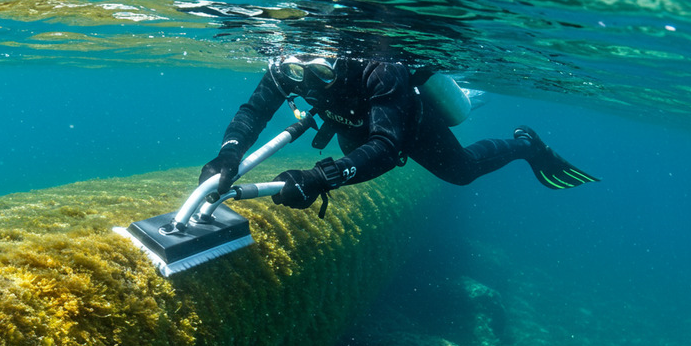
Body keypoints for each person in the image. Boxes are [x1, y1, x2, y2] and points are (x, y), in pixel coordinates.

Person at [200, 55, 598, 215]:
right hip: (356, 128)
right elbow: (253, 112)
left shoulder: (378, 66)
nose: (308, 81)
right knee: (353, 142)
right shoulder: (285, 65)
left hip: (407, 126)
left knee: (462, 171)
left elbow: (388, 147)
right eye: (298, 72)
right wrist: (227, 154)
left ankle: (526, 145)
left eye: (321, 71)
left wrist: (322, 178)